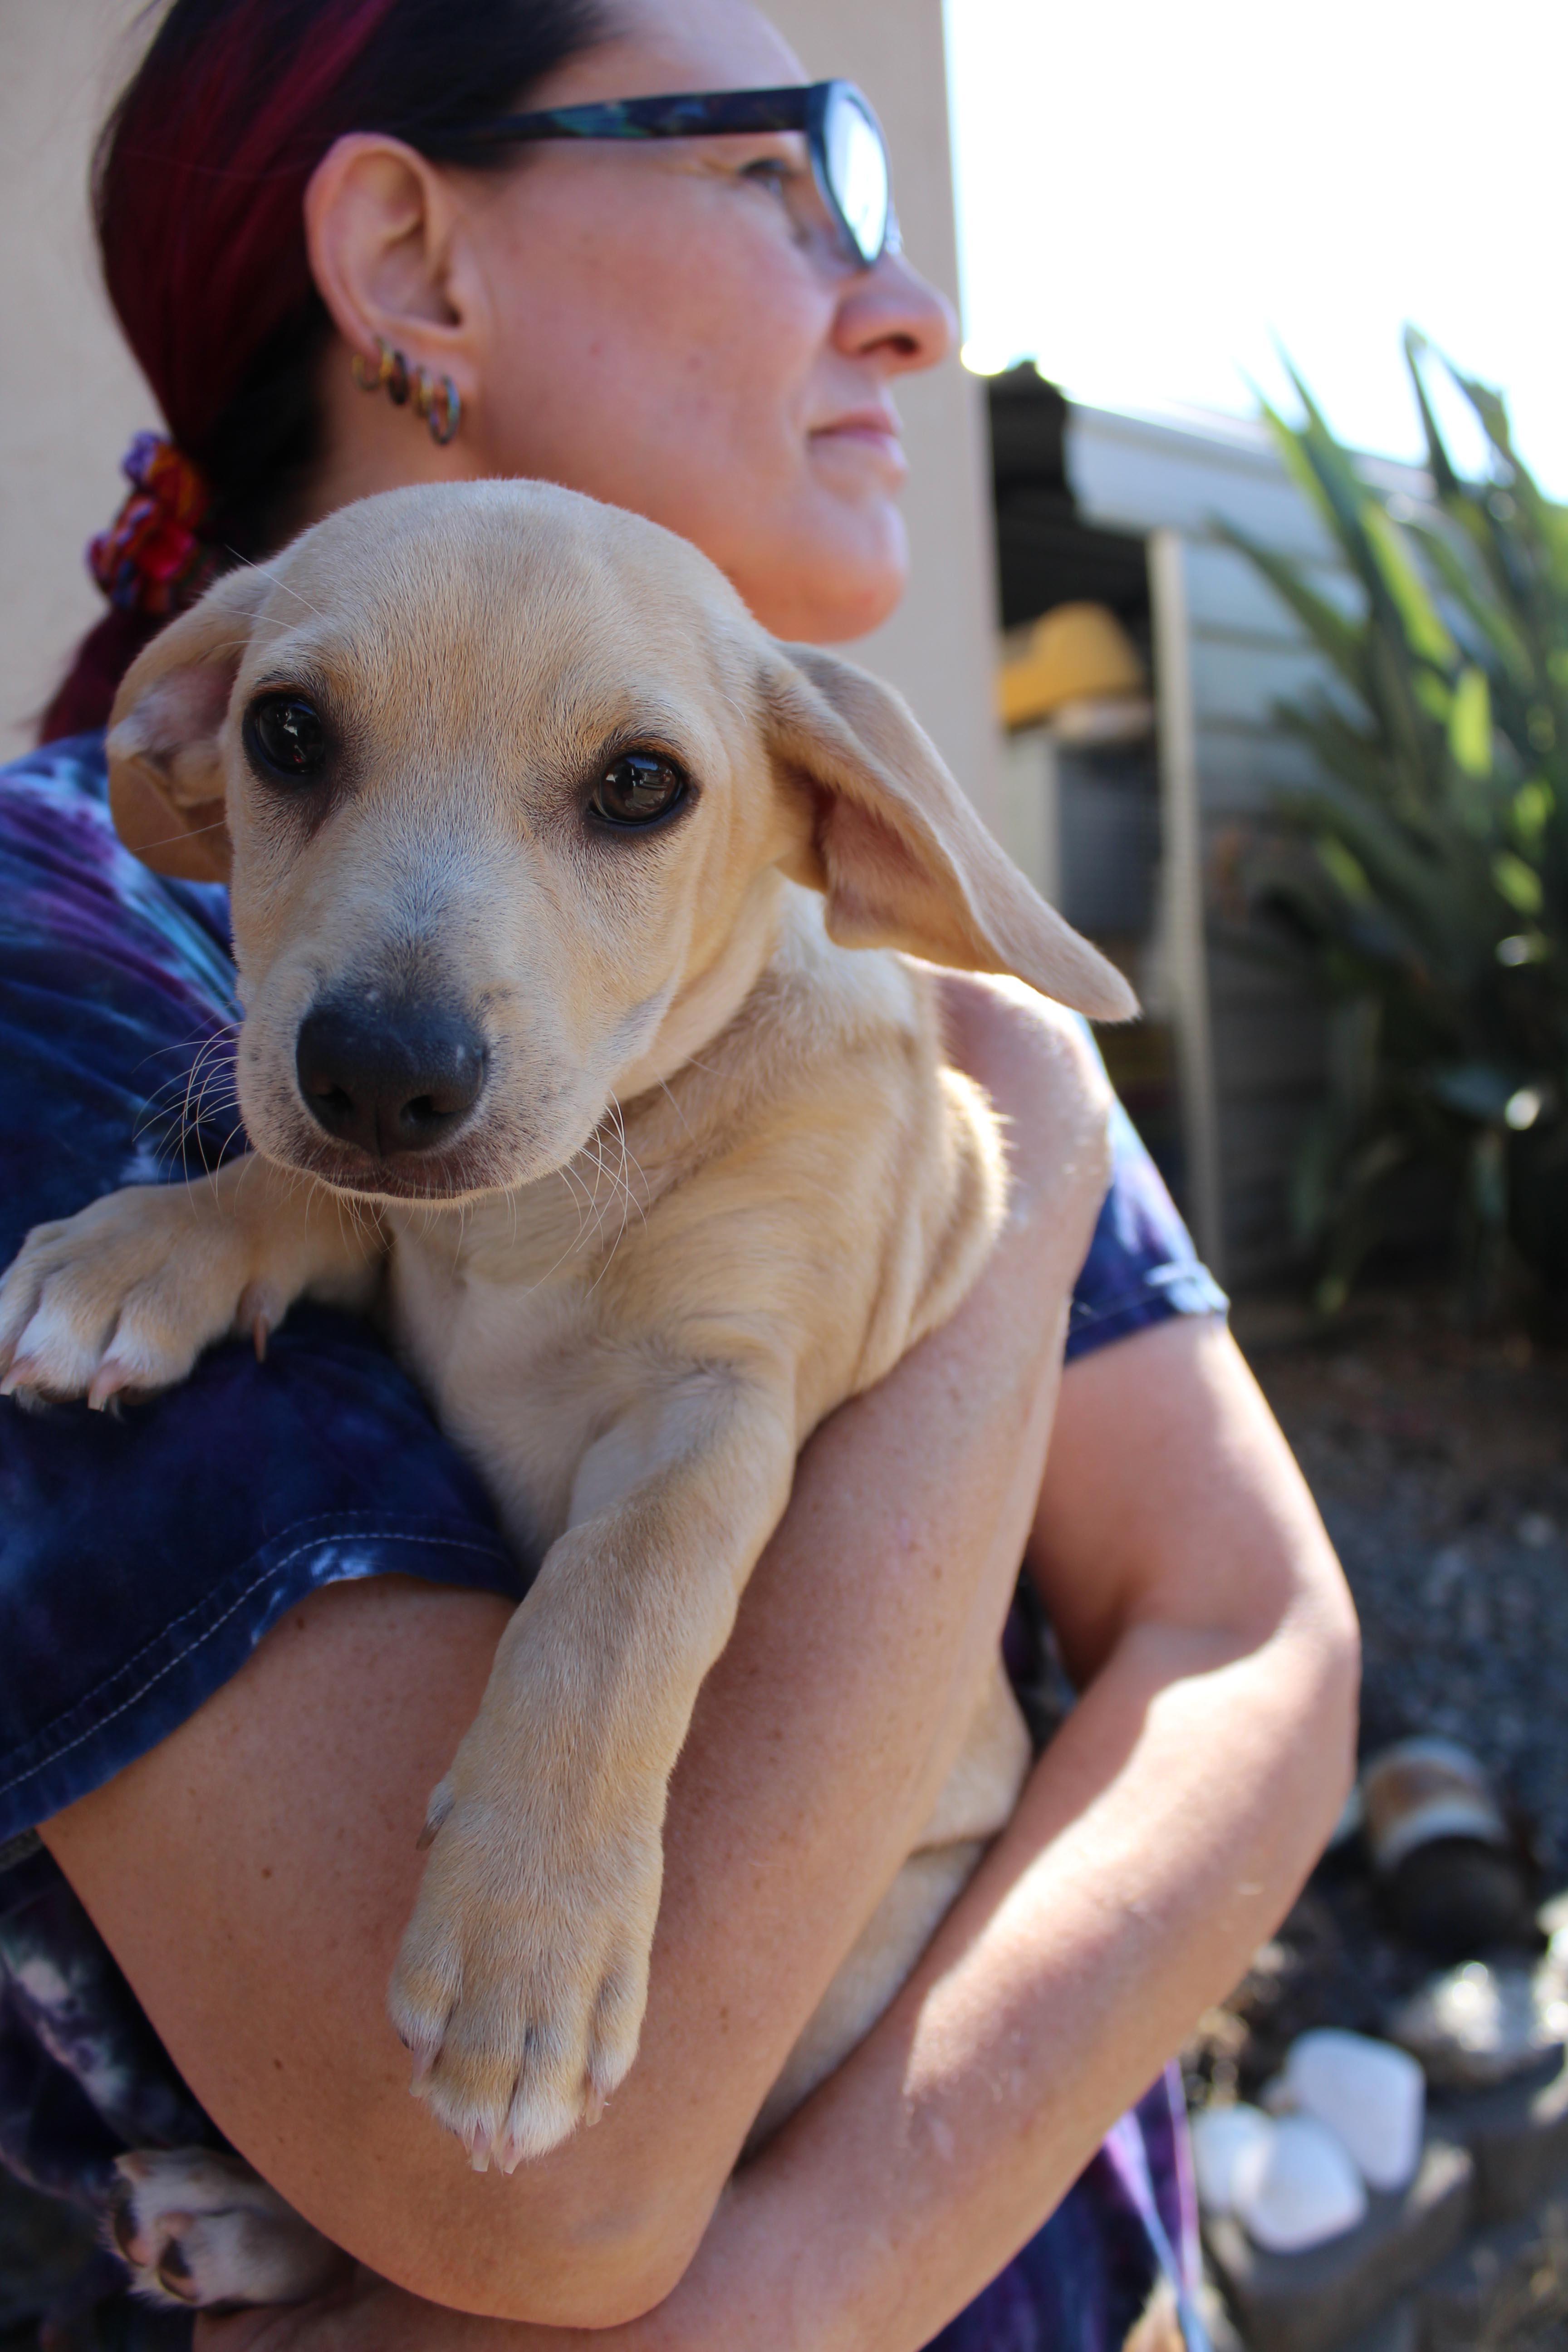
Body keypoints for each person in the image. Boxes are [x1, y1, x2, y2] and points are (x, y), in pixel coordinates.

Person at [0, 0, 1359, 2345]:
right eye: (791, 171)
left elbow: (1255, 1637)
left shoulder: (847, 960)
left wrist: (800, 2295)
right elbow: (539, 2185)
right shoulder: (56, 959)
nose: (917, 308)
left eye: (628, 792)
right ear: (417, 261)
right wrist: (1008, 1152)